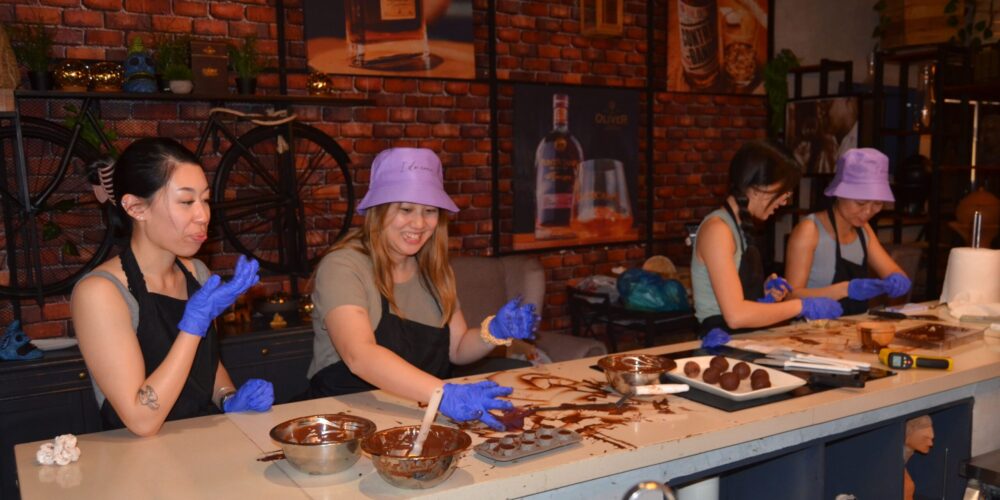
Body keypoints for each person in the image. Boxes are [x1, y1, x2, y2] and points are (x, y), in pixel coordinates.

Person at [307, 147, 537, 431]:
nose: (419, 223)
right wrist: (443, 394)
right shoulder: (343, 266)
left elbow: (457, 348)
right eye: (406, 209)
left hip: (418, 418)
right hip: (343, 420)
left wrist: (494, 332)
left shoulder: (435, 270)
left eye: (429, 211)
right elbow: (359, 356)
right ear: (378, 210)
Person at [71, 138, 273, 437]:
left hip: (201, 442)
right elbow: (141, 420)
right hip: (137, 461)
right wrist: (192, 327)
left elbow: (206, 364)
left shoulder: (197, 272)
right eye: (186, 201)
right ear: (136, 207)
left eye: (205, 199)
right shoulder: (101, 293)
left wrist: (228, 397)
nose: (203, 215)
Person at [691, 141, 843, 335]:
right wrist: (801, 306)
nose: (785, 200)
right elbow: (736, 316)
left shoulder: (736, 227)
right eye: (784, 192)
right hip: (719, 344)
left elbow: (733, 297)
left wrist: (761, 295)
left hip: (741, 340)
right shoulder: (717, 230)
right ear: (759, 187)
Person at [784, 148, 911, 315]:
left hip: (848, 330)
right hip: (809, 331)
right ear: (839, 193)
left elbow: (893, 271)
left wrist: (898, 280)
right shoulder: (809, 230)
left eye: (877, 204)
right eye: (860, 203)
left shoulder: (864, 230)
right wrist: (845, 290)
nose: (868, 212)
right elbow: (791, 296)